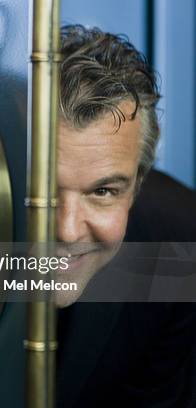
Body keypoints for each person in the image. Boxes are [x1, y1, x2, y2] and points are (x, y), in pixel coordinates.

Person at [54, 25, 196, 406]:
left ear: (137, 186)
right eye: (45, 191)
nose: (66, 231)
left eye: (102, 191)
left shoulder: (180, 251)